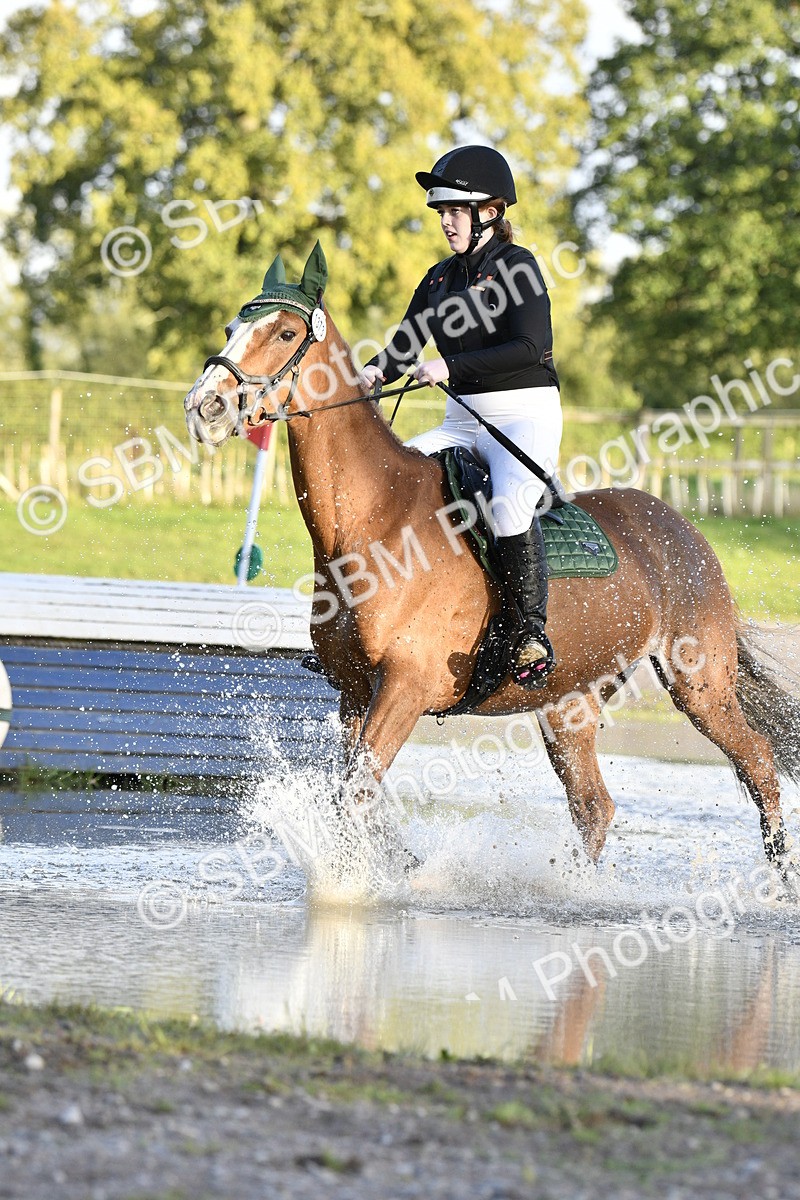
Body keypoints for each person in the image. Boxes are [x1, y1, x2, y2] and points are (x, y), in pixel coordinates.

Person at [360, 145, 562, 689]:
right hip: (461, 420)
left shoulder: (518, 268)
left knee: (509, 508)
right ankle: (366, 626)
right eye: (441, 212)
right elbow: (404, 347)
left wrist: (449, 364)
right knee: (392, 484)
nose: (446, 221)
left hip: (522, 416)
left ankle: (531, 633)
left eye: (455, 211)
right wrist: (372, 372)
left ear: (489, 213)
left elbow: (531, 347)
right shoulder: (438, 279)